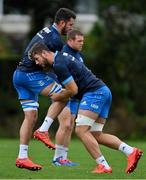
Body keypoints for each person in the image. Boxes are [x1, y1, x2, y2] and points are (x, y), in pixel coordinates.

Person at [28, 37, 143, 174]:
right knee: (96, 134)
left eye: (37, 59)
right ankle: (131, 151)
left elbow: (73, 90)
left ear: (44, 53)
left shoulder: (58, 64)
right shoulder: (61, 58)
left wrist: (58, 96)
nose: (37, 63)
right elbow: (73, 90)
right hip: (103, 91)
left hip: (95, 93)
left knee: (81, 130)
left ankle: (104, 166)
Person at [13, 8, 76, 170]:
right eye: (70, 24)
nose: (71, 28)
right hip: (30, 75)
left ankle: (22, 157)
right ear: (61, 22)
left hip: (19, 76)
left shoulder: (46, 30)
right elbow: (56, 65)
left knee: (30, 116)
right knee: (65, 95)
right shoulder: (55, 39)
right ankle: (43, 130)